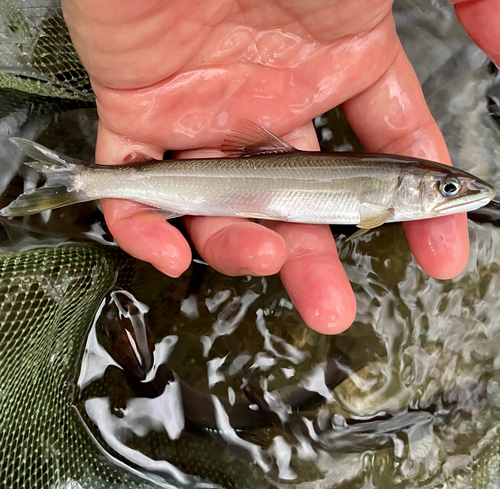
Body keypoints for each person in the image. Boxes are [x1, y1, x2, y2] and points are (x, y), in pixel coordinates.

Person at [61, 0, 500, 335]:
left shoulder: (385, 202)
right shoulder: (382, 205)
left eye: (449, 189)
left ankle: (81, 182)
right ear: (408, 186)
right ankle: (81, 181)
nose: (459, 195)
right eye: (447, 189)